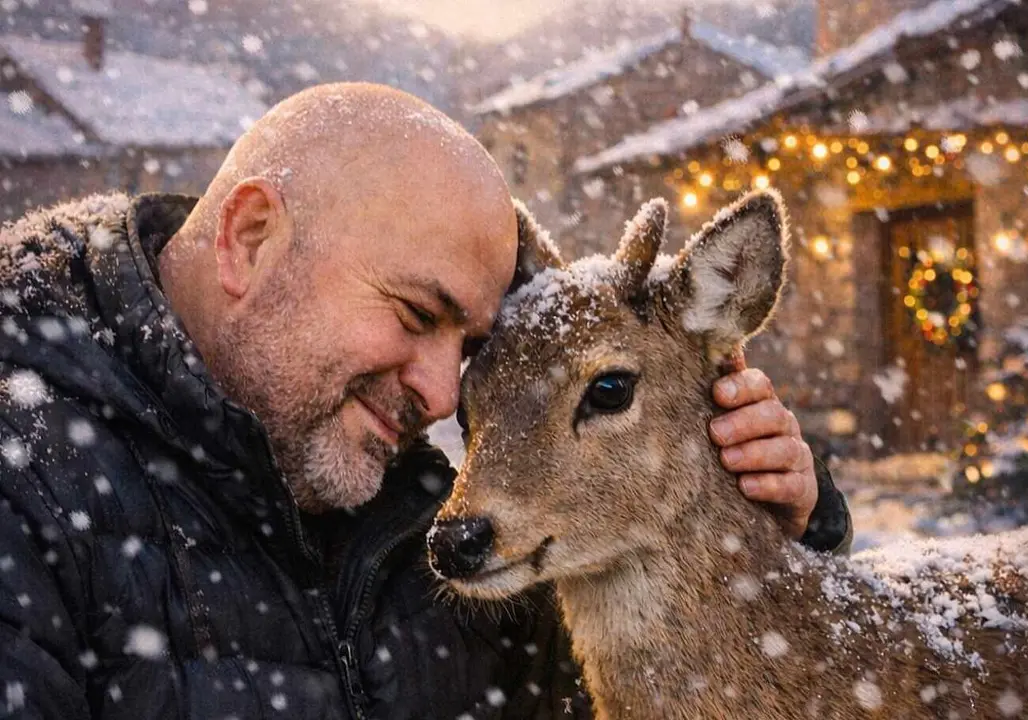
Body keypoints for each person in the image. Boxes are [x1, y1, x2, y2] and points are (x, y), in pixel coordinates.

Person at [0, 83, 850, 719]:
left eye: (470, 350)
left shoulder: (431, 512)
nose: (443, 395)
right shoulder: (26, 485)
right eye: (415, 314)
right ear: (251, 239)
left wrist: (768, 516)